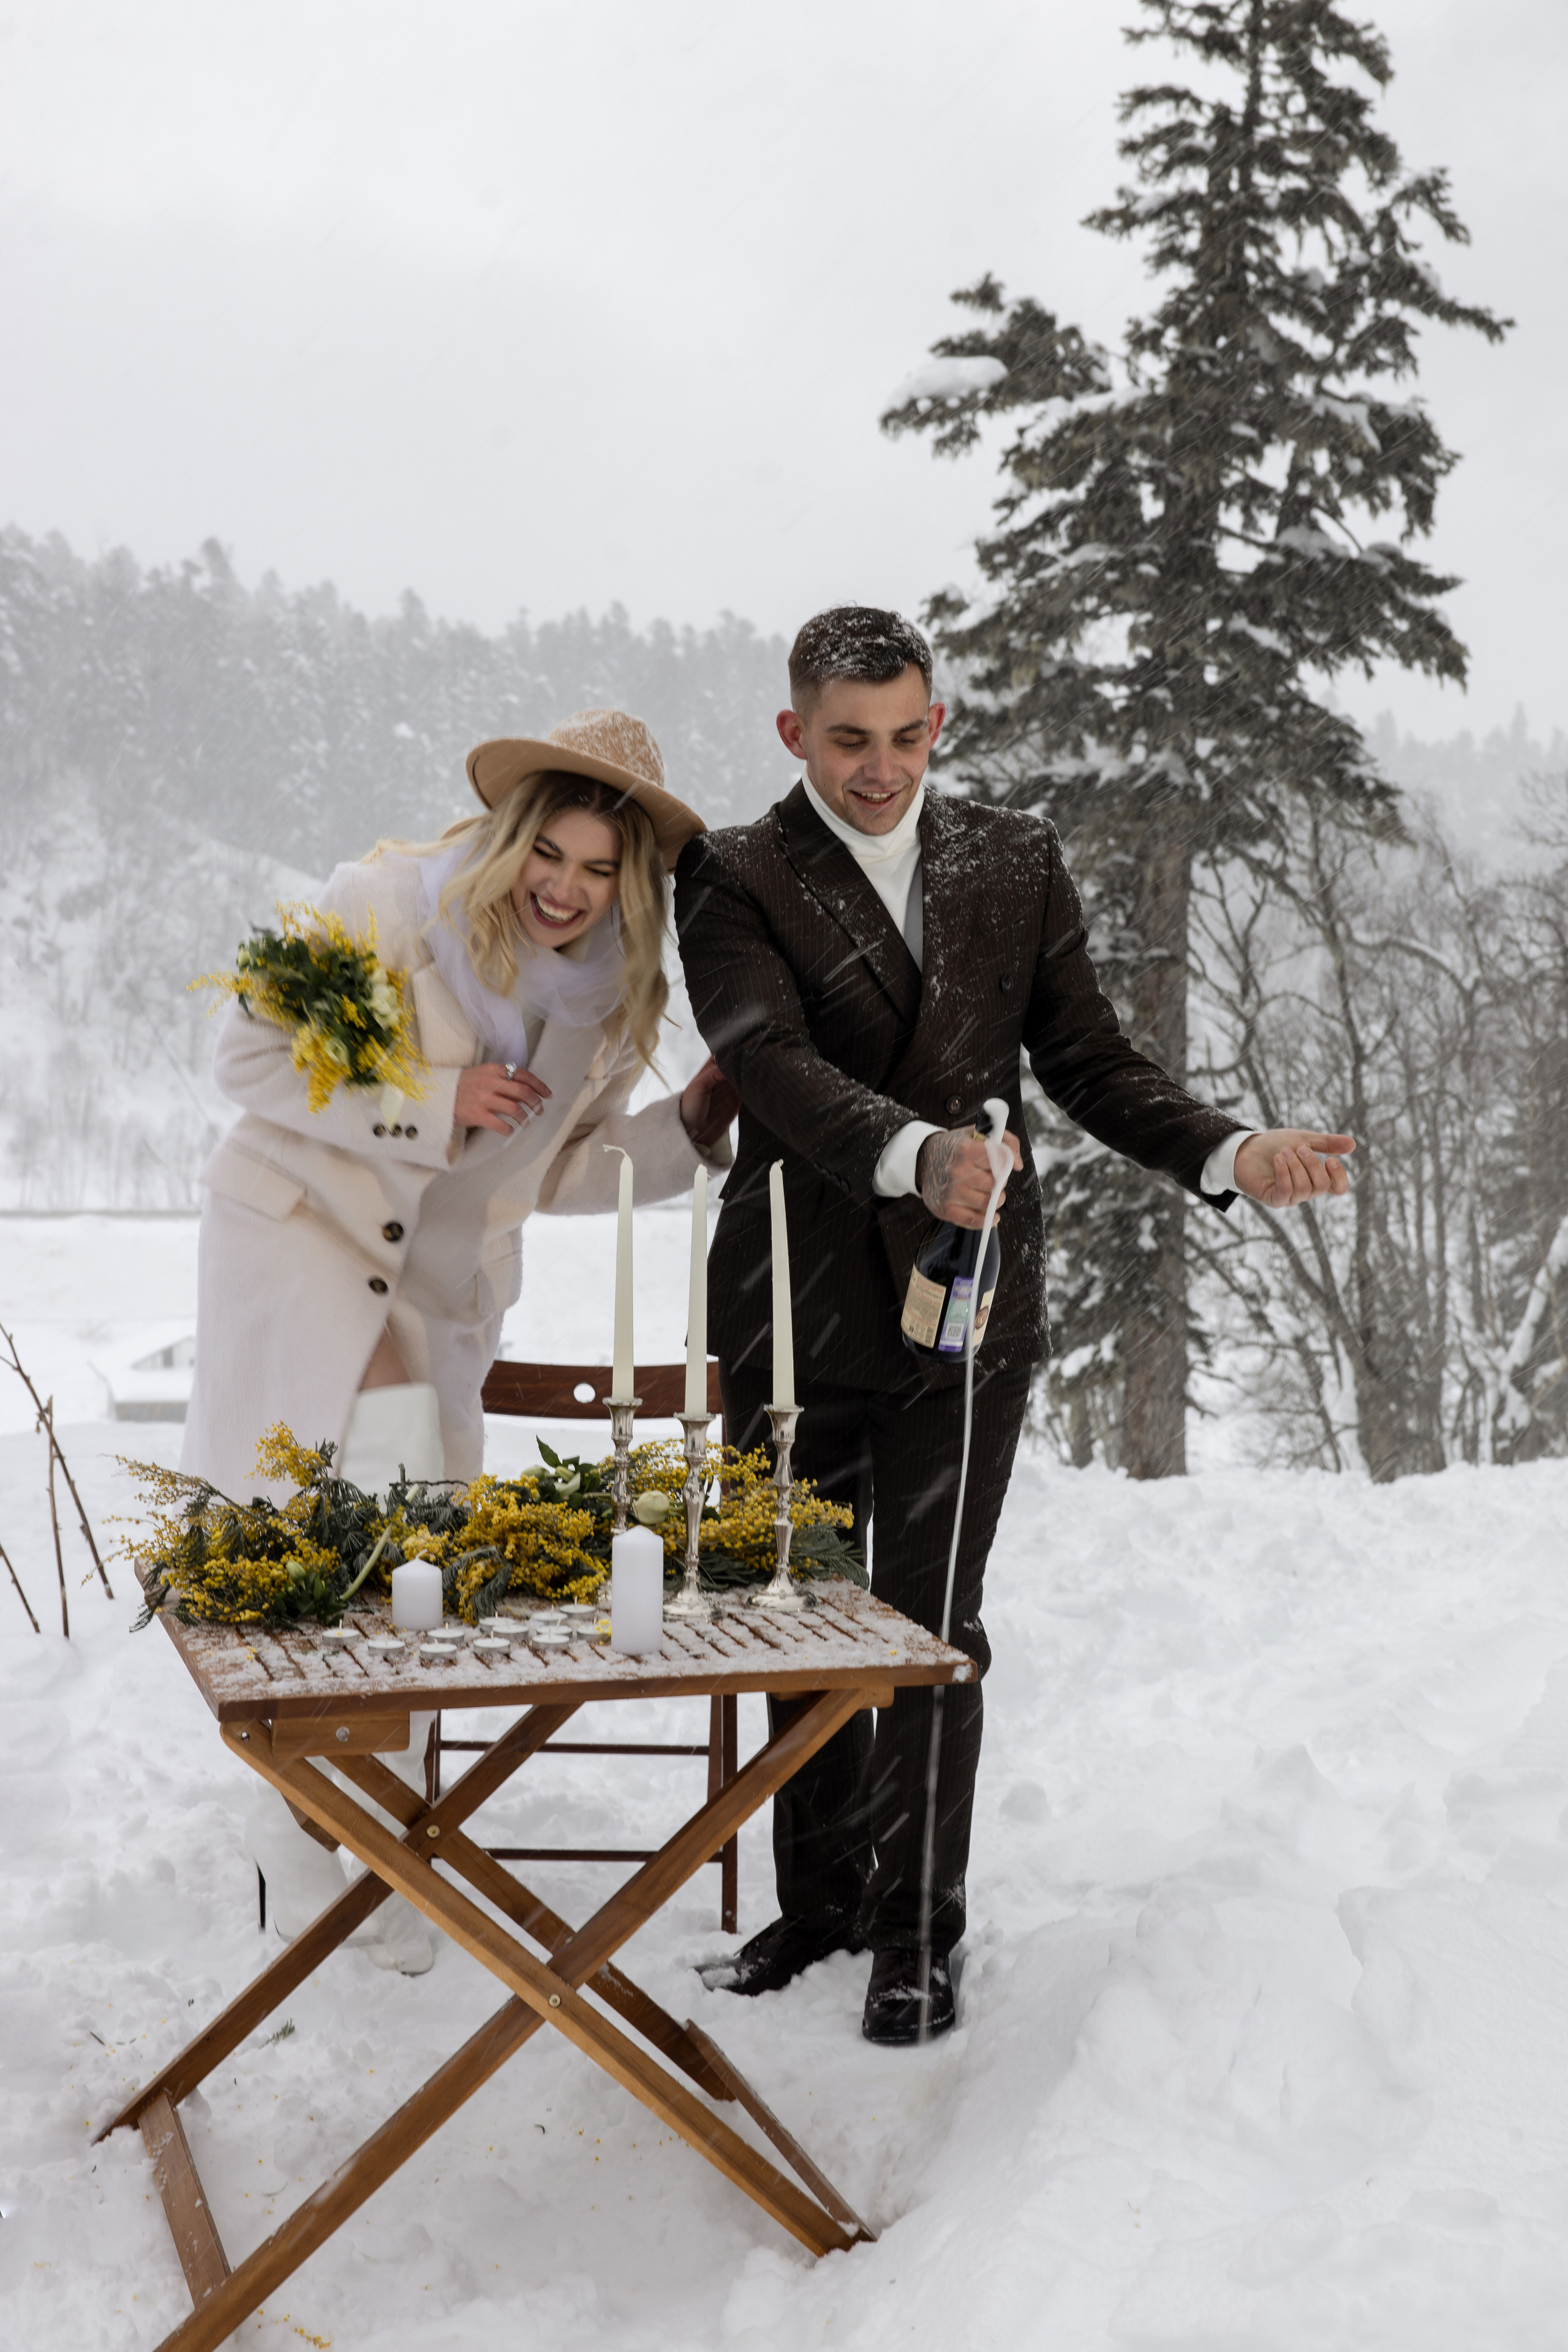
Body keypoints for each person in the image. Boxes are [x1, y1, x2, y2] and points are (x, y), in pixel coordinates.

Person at [674, 608, 1352, 2045]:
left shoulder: (1010, 859)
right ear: (791, 732)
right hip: (790, 1295)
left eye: (907, 736)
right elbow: (771, 1065)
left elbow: (1087, 1057)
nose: (880, 768)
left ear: (941, 723)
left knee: (928, 1627)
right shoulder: (730, 873)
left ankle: (916, 1935)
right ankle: (819, 1906)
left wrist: (1224, 1151)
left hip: (966, 1306)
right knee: (795, 1612)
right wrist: (923, 1151)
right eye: (848, 740)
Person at [183, 707, 738, 1972]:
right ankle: (311, 1813)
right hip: (305, 1233)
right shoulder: (376, 901)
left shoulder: (605, 1008)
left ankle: (356, 1833)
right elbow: (249, 1053)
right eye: (552, 853)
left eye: (601, 870)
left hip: (439, 1286)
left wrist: (692, 1124)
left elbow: (561, 1169)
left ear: (629, 884)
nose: (566, 889)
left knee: (416, 1558)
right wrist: (433, 1100)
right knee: (354, 1507)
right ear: (512, 836)